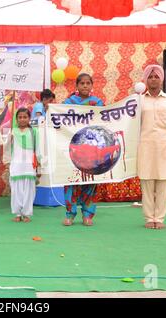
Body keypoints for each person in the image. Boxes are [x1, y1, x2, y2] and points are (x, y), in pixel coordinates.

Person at [138, 64, 166, 230]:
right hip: (145, 145)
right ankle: (149, 217)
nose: (153, 79)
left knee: (164, 181)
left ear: (162, 79)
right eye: (150, 76)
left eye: (156, 76)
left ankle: (160, 218)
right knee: (147, 180)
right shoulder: (138, 100)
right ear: (145, 80)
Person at [63, 73, 104, 227]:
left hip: (92, 148)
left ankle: (88, 214)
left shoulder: (98, 102)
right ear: (77, 86)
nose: (85, 86)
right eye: (82, 83)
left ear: (92, 85)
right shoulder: (68, 102)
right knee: (71, 180)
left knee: (91, 181)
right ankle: (70, 214)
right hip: (74, 148)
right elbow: (60, 118)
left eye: (88, 83)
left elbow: (104, 121)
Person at [8, 108, 41, 223]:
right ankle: (17, 213)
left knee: (29, 190)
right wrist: (9, 139)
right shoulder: (13, 131)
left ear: (29, 118)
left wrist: (39, 166)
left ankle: (26, 213)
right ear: (16, 119)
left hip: (29, 165)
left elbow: (38, 150)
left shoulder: (34, 132)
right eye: (20, 117)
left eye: (25, 117)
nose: (22, 119)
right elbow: (7, 148)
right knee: (16, 190)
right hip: (16, 165)